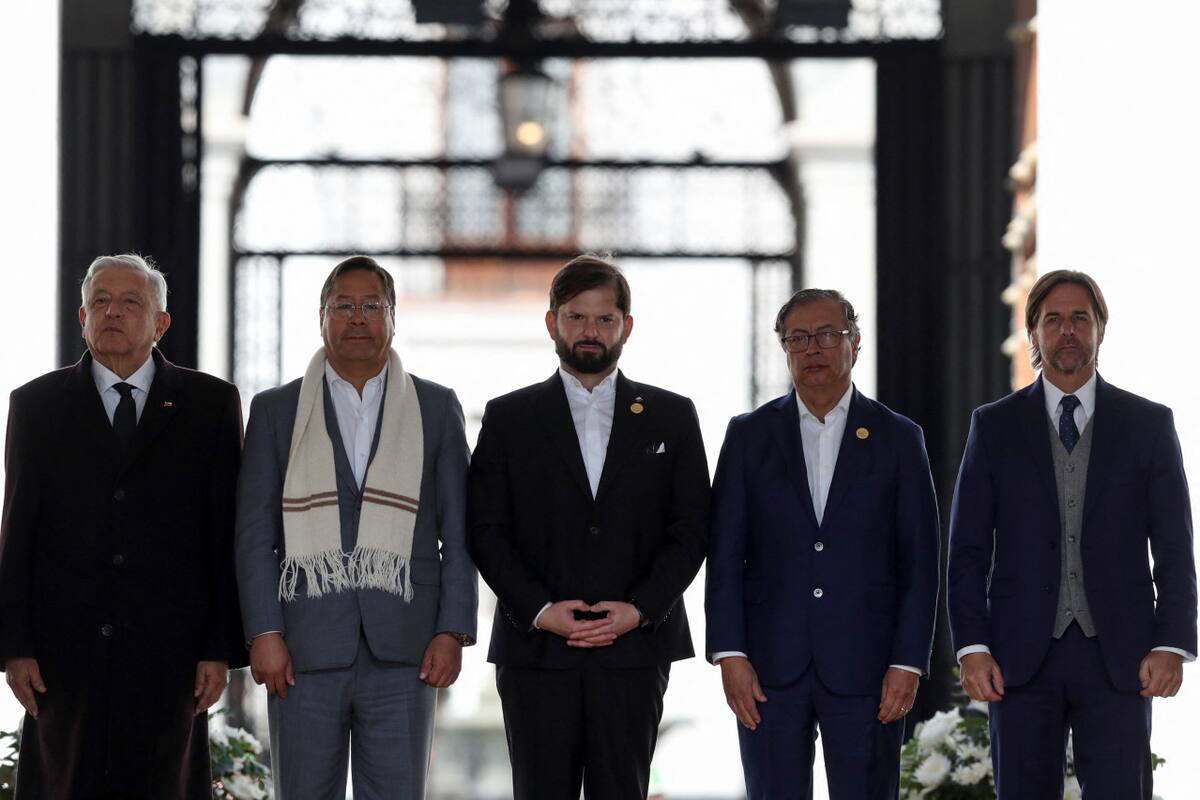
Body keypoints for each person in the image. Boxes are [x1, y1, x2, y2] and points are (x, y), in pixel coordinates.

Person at [0, 254, 245, 798]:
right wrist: (14, 645)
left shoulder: (211, 405)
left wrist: (218, 646)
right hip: (63, 659)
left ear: (161, 323)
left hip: (171, 656)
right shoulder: (36, 405)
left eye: (130, 301)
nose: (112, 312)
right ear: (82, 319)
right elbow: (16, 531)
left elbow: (223, 533)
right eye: (100, 302)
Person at [467, 254, 710, 799]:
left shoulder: (674, 415)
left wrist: (641, 608)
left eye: (605, 319)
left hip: (635, 649)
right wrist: (540, 610)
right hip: (536, 651)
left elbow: (692, 528)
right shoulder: (508, 417)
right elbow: (485, 528)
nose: (590, 331)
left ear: (627, 325)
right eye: (577, 317)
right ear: (552, 322)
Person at [947, 269, 1196, 799]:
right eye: (1053, 320)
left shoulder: (1149, 424)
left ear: (1100, 330)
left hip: (1122, 654)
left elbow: (1174, 546)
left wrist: (1172, 641)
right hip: (1018, 656)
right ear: (1033, 332)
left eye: (1079, 319)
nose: (1067, 331)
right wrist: (972, 645)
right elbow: (967, 550)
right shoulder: (992, 427)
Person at [235, 256, 477, 799]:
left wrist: (452, 629)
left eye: (372, 306)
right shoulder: (276, 410)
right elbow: (254, 535)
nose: (358, 318)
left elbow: (460, 532)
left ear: (393, 317)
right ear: (321, 317)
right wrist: (264, 633)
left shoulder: (436, 408)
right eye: (344, 306)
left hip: (408, 648)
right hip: (301, 647)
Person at [705, 288, 940, 799]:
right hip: (768, 669)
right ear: (785, 349)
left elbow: (919, 561)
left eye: (828, 335)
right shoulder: (748, 436)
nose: (814, 349)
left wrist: (908, 660)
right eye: (799, 339)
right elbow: (724, 554)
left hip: (869, 668)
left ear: (855, 344)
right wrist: (730, 653)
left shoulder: (899, 438)